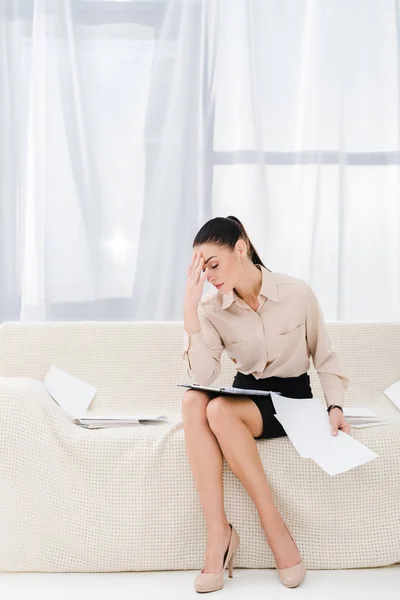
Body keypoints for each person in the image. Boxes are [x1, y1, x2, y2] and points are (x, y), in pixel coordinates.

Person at [181, 215, 351, 593]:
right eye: (200, 269)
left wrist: (335, 407)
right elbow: (204, 377)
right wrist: (191, 311)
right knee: (196, 401)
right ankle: (219, 534)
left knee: (217, 409)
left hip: (292, 398)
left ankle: (273, 523)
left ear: (240, 248)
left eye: (212, 264)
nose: (208, 276)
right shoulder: (211, 310)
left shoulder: (297, 293)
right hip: (248, 399)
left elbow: (324, 357)